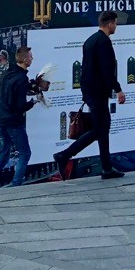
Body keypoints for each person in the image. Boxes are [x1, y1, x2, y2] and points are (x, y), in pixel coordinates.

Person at [54, 10, 126, 180]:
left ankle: (106, 168)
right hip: (98, 92)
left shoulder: (90, 41)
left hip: (90, 91)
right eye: (115, 23)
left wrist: (85, 92)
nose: (116, 26)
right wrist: (118, 89)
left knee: (102, 128)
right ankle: (64, 155)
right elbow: (107, 70)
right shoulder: (104, 42)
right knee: (100, 129)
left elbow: (85, 70)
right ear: (109, 24)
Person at [0, 45, 48, 190]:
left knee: (4, 154)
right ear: (25, 60)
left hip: (0, 120)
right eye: (30, 57)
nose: (32, 59)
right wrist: (33, 102)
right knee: (25, 153)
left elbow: (7, 97)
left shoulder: (7, 74)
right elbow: (18, 106)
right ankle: (16, 186)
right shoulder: (21, 78)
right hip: (14, 122)